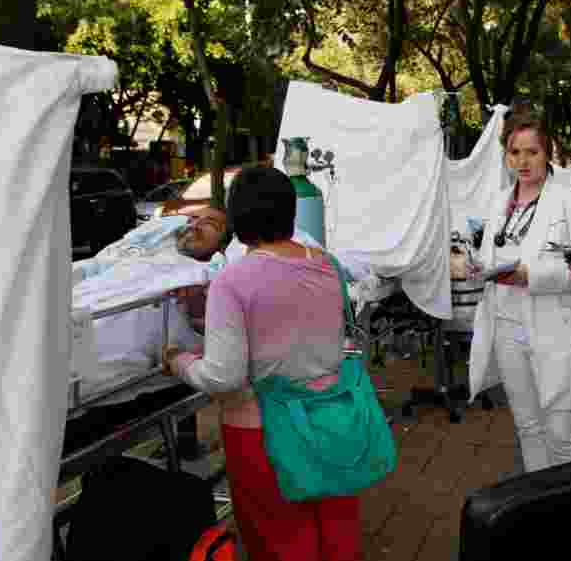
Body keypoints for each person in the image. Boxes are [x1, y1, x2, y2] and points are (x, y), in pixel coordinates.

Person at [165, 167, 361, 561]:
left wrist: (180, 362)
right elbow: (294, 322)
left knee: (281, 540)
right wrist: (210, 318)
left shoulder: (233, 280)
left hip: (265, 433)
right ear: (291, 212)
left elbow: (225, 376)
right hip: (332, 421)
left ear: (235, 220)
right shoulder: (326, 265)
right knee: (336, 531)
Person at [467, 111, 571, 472]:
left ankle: (568, 510)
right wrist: (472, 265)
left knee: (560, 432)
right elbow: (489, 256)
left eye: (532, 152)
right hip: (508, 326)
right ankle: (538, 510)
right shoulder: (499, 202)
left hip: (554, 328)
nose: (522, 162)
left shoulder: (570, 200)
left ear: (548, 152)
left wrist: (531, 275)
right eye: (514, 153)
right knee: (528, 426)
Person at [62, 206, 232, 458]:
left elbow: (206, 334)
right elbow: (96, 269)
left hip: (109, 330)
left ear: (221, 246)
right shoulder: (141, 255)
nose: (195, 224)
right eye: (193, 218)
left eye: (211, 224)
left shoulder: (205, 276)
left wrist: (196, 304)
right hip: (80, 307)